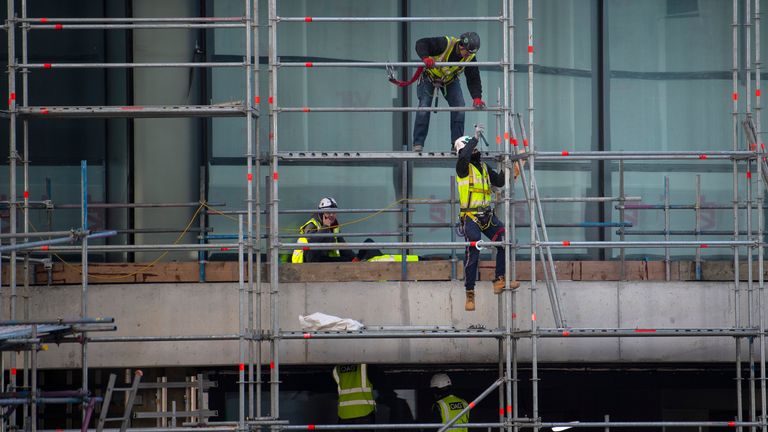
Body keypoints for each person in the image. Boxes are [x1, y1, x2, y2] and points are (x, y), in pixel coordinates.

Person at [455, 127, 520, 311]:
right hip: (470, 217)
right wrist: (474, 139)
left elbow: (498, 182)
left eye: (475, 147)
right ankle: (469, 292)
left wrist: (510, 169)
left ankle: (499, 279)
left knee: (505, 241)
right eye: (471, 148)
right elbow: (465, 156)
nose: (475, 150)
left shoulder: (483, 167)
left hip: (487, 216)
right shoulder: (462, 167)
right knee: (474, 247)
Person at [412, 32, 485, 153]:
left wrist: (477, 97)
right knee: (424, 107)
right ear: (461, 46)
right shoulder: (445, 44)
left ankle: (456, 143)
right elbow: (421, 43)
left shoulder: (470, 57)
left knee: (459, 106)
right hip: (429, 76)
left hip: (449, 79)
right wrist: (425, 57)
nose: (468, 56)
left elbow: (473, 78)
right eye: (467, 52)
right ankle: (418, 144)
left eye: (471, 53)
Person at [292, 197, 356, 263]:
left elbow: (342, 244)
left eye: (334, 212)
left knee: (346, 260)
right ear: (321, 213)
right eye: (328, 212)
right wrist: (325, 227)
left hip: (321, 259)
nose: (331, 215)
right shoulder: (312, 224)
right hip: (305, 262)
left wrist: (353, 258)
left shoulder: (334, 225)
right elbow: (312, 242)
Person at [333, 364, 376, 430]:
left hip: (344, 415)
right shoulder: (365, 365)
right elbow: (382, 381)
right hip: (365, 413)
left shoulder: (337, 368)